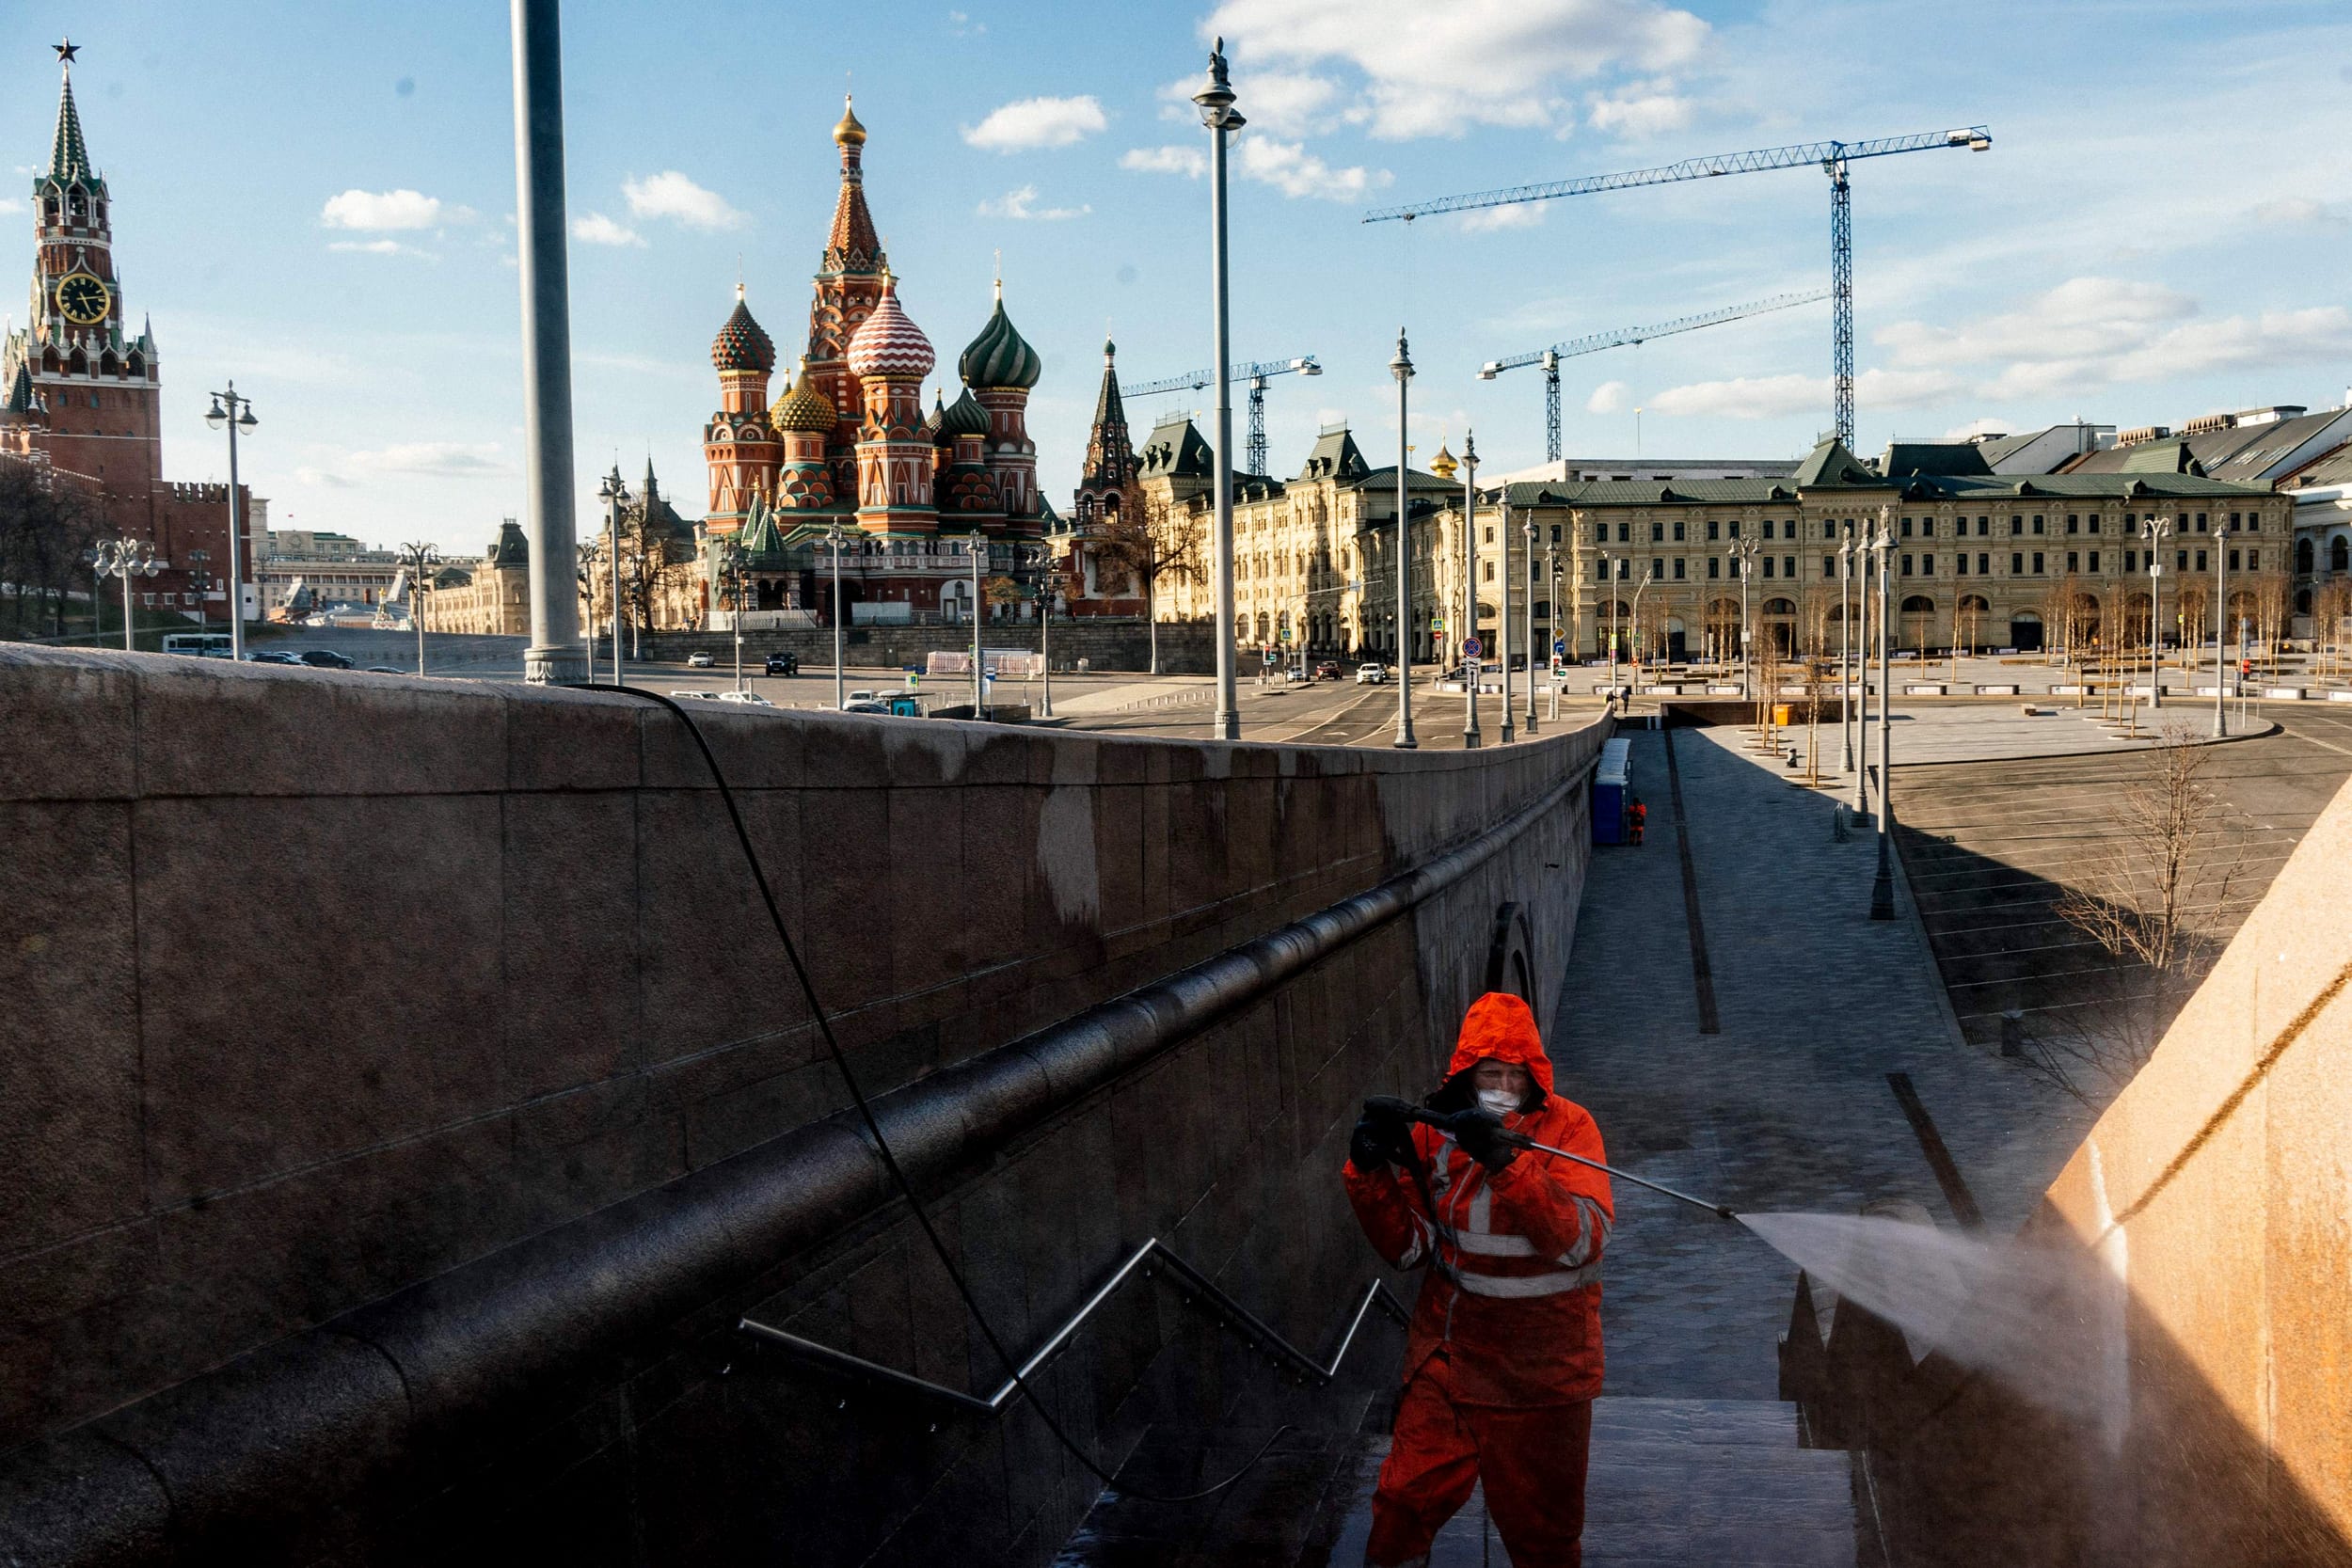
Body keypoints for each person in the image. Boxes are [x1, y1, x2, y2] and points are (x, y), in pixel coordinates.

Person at [1343, 993, 1614, 1568]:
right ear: (1467, 1073)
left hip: (1545, 1374)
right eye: (1491, 1073)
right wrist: (1370, 1174)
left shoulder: (1569, 1129)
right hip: (1452, 1354)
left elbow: (1580, 1241)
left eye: (1516, 1075)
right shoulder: (1436, 1135)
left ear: (1534, 1075)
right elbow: (1410, 1247)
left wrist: (1506, 1162)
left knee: (1544, 1536)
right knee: (1401, 1504)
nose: (1503, 1086)